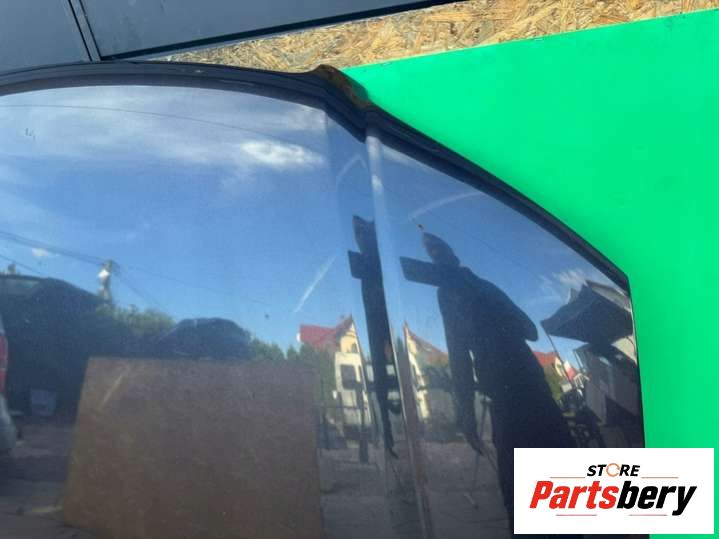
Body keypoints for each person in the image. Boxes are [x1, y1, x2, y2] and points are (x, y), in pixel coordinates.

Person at [421, 232, 576, 523]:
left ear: (450, 257)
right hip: (531, 391)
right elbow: (528, 330)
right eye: (432, 253)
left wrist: (466, 413)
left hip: (517, 397)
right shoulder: (480, 288)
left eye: (436, 251)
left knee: (536, 494)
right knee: (556, 488)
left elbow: (460, 356)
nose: (435, 258)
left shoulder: (457, 293)